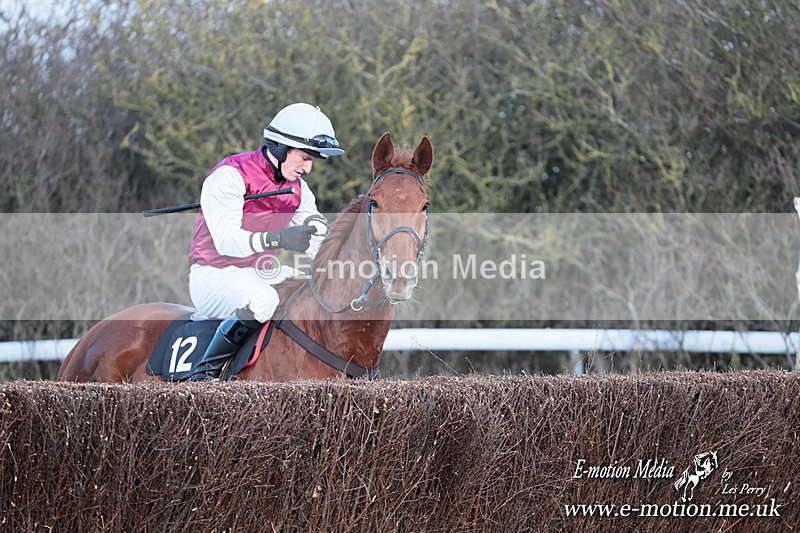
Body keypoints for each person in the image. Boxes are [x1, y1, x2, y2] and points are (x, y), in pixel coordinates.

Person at [187, 103, 344, 381]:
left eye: (312, 161)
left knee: (307, 293)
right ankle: (205, 375)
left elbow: (316, 232)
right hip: (212, 275)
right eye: (305, 158)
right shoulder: (229, 175)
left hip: (257, 273)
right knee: (264, 299)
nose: (308, 168)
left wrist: (337, 247)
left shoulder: (298, 189)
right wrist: (279, 238)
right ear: (282, 147)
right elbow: (225, 242)